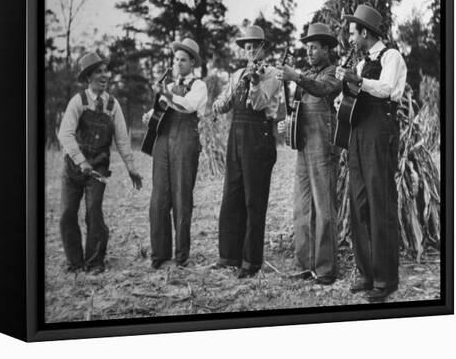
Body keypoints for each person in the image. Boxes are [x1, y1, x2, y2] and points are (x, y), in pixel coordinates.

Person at [335, 4, 407, 302]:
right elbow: (351, 96)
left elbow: (389, 89)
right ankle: (366, 273)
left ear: (365, 32)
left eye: (353, 33)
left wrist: (358, 82)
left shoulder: (392, 57)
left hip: (379, 132)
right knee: (359, 202)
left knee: (381, 202)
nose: (350, 38)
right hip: (358, 133)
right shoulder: (362, 63)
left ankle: (385, 279)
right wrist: (342, 95)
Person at [57, 52, 143, 274]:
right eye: (98, 72)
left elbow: (122, 140)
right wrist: (81, 161)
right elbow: (65, 135)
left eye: (106, 71)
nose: (104, 76)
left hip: (99, 169)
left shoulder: (113, 105)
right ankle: (75, 262)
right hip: (73, 169)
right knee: (67, 213)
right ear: (88, 77)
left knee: (93, 211)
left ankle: (95, 261)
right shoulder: (78, 101)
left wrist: (131, 168)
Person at [212, 25, 281, 278]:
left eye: (255, 46)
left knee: (254, 200)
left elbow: (260, 102)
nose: (251, 50)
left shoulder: (272, 74)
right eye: (247, 47)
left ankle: (251, 261)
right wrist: (217, 105)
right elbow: (224, 103)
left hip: (258, 138)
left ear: (264, 48)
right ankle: (229, 255)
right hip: (236, 138)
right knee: (232, 195)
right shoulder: (237, 74)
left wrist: (254, 82)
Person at [277, 23, 341, 285]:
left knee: (323, 206)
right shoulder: (307, 75)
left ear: (327, 49)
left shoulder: (334, 72)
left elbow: (323, 90)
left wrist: (296, 77)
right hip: (304, 144)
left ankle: (325, 269)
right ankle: (305, 264)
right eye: (307, 48)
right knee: (302, 206)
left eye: (314, 47)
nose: (310, 52)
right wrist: (287, 123)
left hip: (323, 145)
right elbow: (298, 109)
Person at [142, 38, 207, 269]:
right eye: (175, 59)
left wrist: (167, 97)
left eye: (183, 60)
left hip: (186, 142)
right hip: (163, 142)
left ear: (192, 63)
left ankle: (181, 257)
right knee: (159, 198)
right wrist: (149, 115)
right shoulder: (168, 86)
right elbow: (159, 111)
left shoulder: (199, 86)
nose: (178, 63)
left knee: (182, 199)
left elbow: (187, 106)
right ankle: (159, 255)